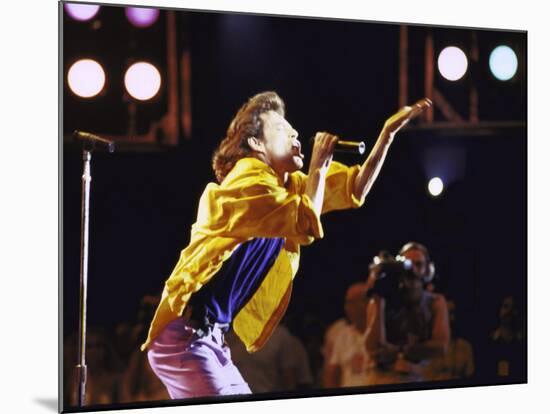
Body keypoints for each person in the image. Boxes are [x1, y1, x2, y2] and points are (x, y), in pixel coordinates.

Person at [141, 91, 432, 399]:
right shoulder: (247, 183)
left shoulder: (285, 189)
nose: (295, 133)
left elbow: (354, 187)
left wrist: (386, 135)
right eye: (281, 128)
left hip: (210, 340)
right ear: (255, 143)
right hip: (183, 337)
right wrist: (318, 165)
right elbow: (306, 221)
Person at [365, 242, 450, 384]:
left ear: (428, 270)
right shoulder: (382, 300)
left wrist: (397, 351)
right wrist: (378, 296)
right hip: (381, 379)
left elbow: (440, 346)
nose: (413, 271)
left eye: (418, 265)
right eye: (408, 264)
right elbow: (374, 349)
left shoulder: (435, 302)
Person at [323, 282, 372, 388]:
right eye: (347, 303)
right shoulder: (342, 335)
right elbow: (332, 373)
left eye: (351, 303)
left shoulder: (381, 333)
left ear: (367, 303)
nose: (347, 308)